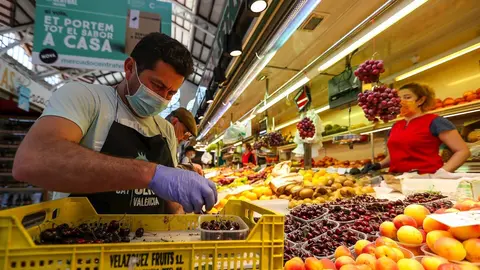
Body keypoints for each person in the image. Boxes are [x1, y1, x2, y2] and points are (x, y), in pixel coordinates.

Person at [12, 33, 217, 214]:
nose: (162, 97)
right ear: (129, 68)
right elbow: (32, 160)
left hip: (150, 245)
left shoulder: (165, 130)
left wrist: (187, 204)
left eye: (171, 93)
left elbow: (170, 204)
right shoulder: (85, 97)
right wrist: (150, 173)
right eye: (157, 85)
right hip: (82, 247)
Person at [363, 83, 470, 174]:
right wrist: (378, 165)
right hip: (396, 179)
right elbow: (396, 156)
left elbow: (462, 151)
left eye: (407, 97)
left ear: (421, 100)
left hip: (424, 180)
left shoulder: (435, 122)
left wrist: (441, 174)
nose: (401, 101)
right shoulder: (396, 126)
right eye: (398, 98)